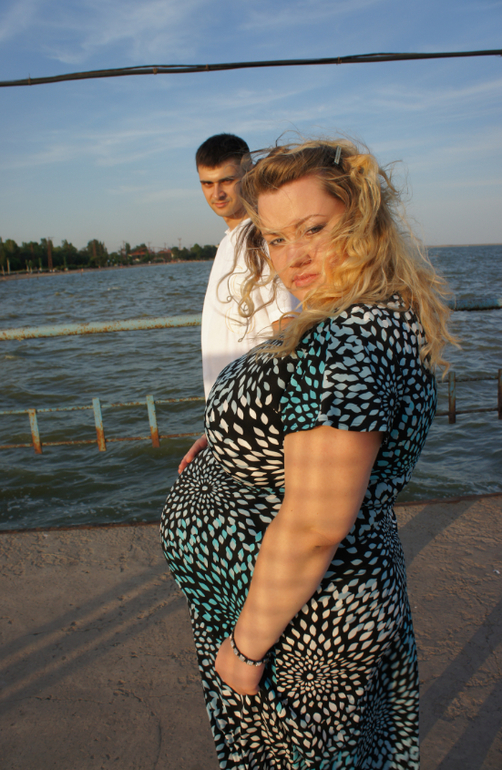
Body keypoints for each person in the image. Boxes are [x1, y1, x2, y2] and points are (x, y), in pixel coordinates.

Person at [161, 138, 454, 769]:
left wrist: (246, 647)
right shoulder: (361, 314)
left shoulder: (347, 341)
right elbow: (304, 420)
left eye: (313, 228)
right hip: (308, 607)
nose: (293, 255)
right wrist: (233, 433)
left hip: (300, 625)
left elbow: (316, 526)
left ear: (362, 217)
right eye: (275, 238)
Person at [178, 134, 297, 473]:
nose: (216, 193)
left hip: (259, 424)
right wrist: (217, 426)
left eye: (227, 180)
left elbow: (289, 328)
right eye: (207, 183)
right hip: (233, 422)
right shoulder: (231, 240)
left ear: (249, 173)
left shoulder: (260, 238)